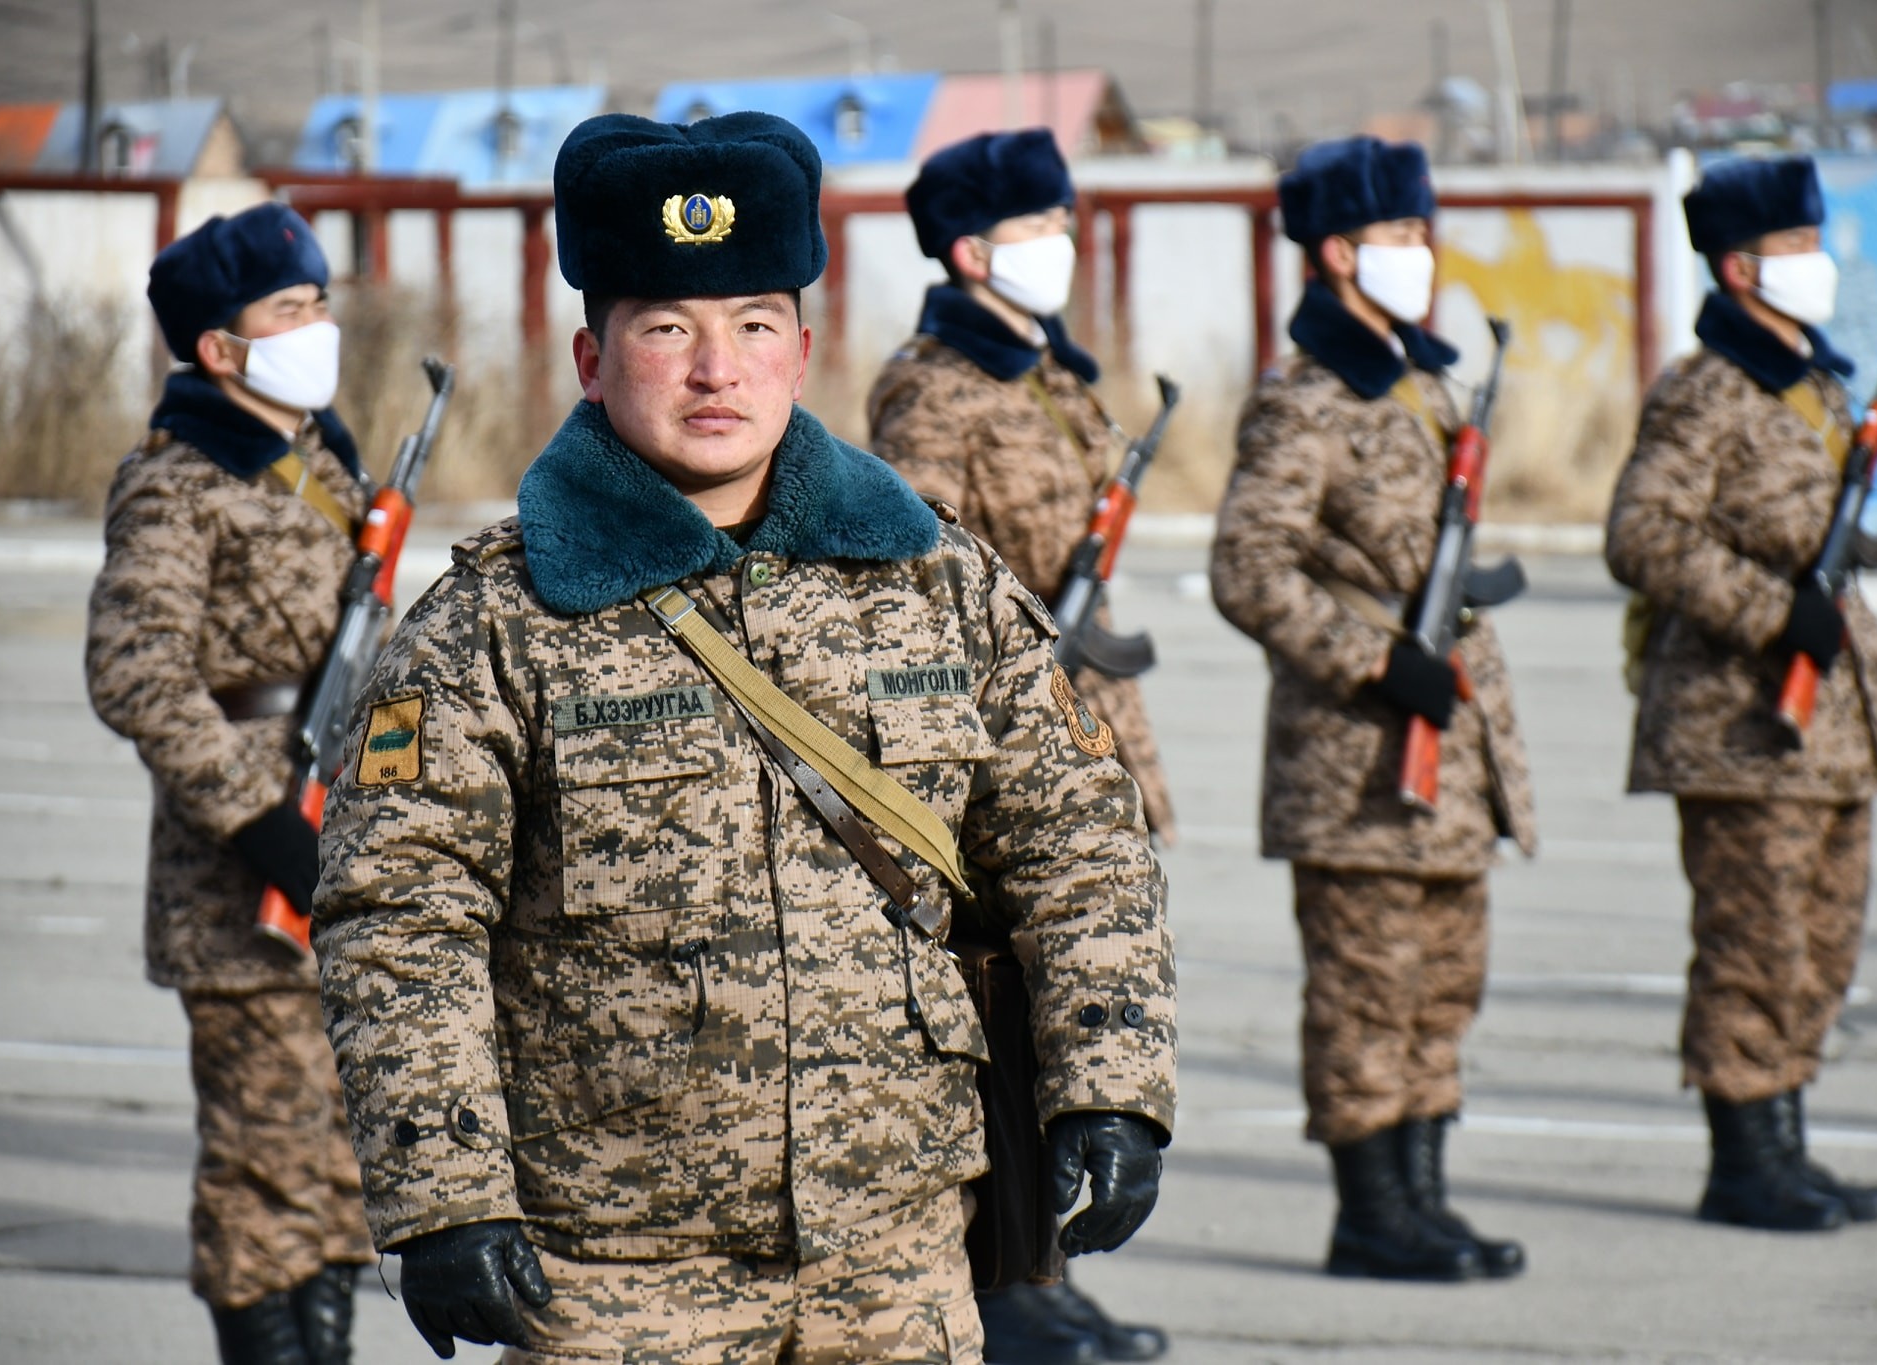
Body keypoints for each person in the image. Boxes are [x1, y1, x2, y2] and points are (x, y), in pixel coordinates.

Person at [312, 111, 1176, 1365]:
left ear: (803, 352)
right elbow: (401, 914)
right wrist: (442, 1190)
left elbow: (1079, 843)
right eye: (667, 329)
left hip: (896, 1265)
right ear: (591, 358)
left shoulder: (938, 583)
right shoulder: (490, 626)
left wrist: (1110, 1082)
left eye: (755, 326)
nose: (717, 370)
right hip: (614, 1277)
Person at [865, 126, 1173, 1364]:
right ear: (971, 250)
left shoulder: (1049, 368)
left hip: (1076, 711)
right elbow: (911, 564)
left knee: (1074, 1003)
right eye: (1037, 226)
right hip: (995, 719)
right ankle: (1007, 1287)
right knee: (1004, 1013)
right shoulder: (930, 386)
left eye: (1061, 220)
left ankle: (1047, 1267)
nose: (1061, 242)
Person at [1209, 136, 1537, 1283]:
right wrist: (1371, 663)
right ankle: (1370, 1217)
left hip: (1448, 752)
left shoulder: (1420, 382)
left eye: (1419, 231)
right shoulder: (1304, 402)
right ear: (1339, 252)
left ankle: (1424, 1203)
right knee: (1363, 994)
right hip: (1356, 762)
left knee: (1441, 986)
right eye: (1398, 234)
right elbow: (1246, 569)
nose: (1419, 252)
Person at [85, 202, 374, 1364]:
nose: (319, 325)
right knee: (265, 1177)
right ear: (219, 347)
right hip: (242, 885)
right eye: (289, 309)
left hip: (337, 844)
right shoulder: (177, 480)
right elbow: (134, 672)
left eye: (319, 302)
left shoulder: (320, 456)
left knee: (343, 1166)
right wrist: (260, 826)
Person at [1605, 155, 1877, 1233]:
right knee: (1754, 944)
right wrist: (1771, 610)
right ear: (1738, 268)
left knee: (1819, 943)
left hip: (1829, 728)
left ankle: (1787, 1146)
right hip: (1739, 725)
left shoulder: (1812, 383)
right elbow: (1641, 533)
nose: (1814, 264)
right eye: (1795, 247)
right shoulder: (1706, 390)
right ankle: (1743, 1164)